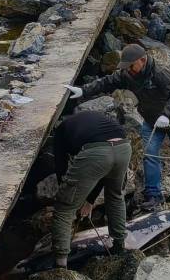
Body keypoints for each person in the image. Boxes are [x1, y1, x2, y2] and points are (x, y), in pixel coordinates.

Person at [65, 43, 170, 211]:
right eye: (125, 67)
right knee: (149, 155)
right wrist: (84, 91)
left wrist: (167, 115)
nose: (128, 70)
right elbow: (108, 82)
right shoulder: (128, 74)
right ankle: (153, 196)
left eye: (131, 66)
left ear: (142, 60)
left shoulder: (159, 73)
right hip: (151, 121)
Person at [50, 110, 131, 269]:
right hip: (123, 148)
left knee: (64, 208)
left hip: (97, 152)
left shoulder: (60, 133)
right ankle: (119, 246)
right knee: (115, 196)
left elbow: (61, 169)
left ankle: (60, 266)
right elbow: (102, 173)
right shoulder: (92, 119)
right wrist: (88, 201)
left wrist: (70, 196)